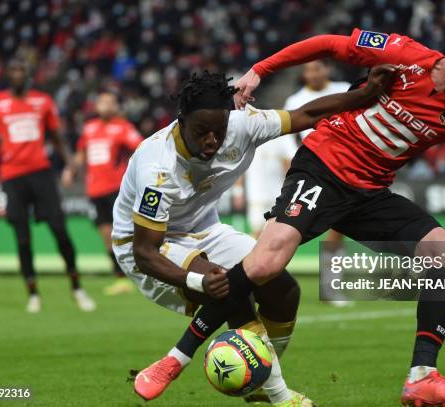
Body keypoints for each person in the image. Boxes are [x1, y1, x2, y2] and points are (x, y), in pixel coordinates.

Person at [174, 20, 445, 407]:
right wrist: (259, 71)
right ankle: (176, 357)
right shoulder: (403, 54)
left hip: (370, 193)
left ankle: (422, 376)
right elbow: (328, 43)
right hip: (323, 164)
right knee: (266, 263)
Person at [111, 68, 396, 404]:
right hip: (146, 246)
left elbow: (308, 114)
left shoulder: (242, 125)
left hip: (205, 229)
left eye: (218, 131)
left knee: (284, 289)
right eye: (202, 132)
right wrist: (196, 281)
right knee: (232, 290)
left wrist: (365, 95)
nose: (211, 142)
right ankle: (279, 396)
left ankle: (247, 375)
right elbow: (146, 252)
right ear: (181, 120)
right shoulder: (156, 168)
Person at [0, 59, 95, 313]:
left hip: (41, 174)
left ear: (28, 75)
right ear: (7, 75)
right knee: (23, 238)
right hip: (12, 177)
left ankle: (77, 286)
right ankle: (33, 293)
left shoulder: (43, 101)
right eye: (13, 70)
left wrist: (71, 163)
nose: (17, 74)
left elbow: (56, 136)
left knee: (60, 230)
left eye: (21, 70)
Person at [281, 60, 353, 307]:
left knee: (337, 231)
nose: (313, 73)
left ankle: (331, 287)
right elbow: (292, 141)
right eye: (308, 70)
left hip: (346, 170)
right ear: (303, 74)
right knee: (288, 230)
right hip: (312, 173)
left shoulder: (345, 89)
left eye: (318, 68)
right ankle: (272, 284)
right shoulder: (294, 101)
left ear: (328, 69)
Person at [62, 91, 143, 295]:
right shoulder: (89, 129)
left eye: (109, 102)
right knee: (106, 234)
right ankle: (120, 277)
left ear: (116, 106)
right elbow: (82, 154)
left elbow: (142, 148)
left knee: (124, 232)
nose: (105, 106)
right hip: (95, 189)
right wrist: (70, 170)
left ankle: (142, 272)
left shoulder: (123, 127)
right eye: (102, 102)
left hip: (117, 189)